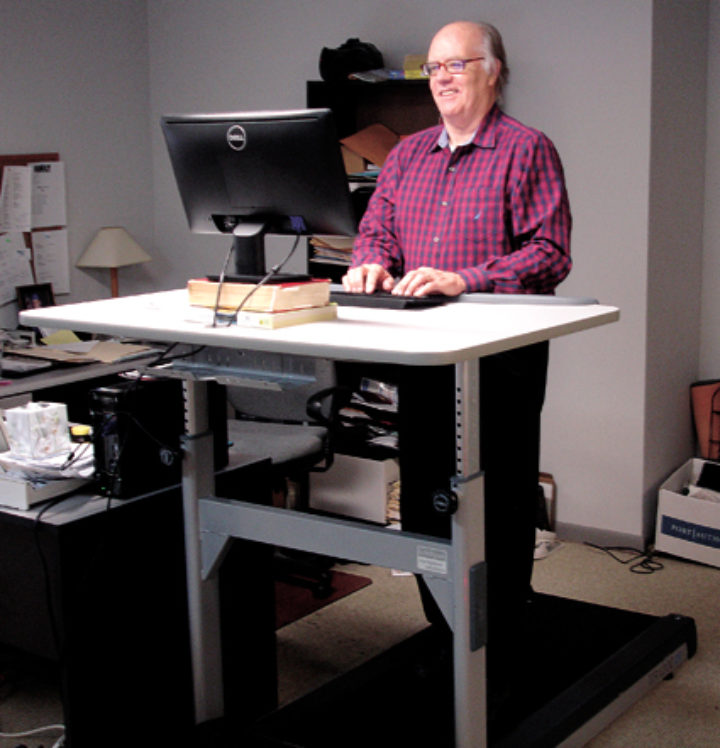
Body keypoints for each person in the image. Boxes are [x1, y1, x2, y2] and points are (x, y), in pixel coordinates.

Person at [342, 20, 572, 699]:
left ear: (494, 72)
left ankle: (500, 642)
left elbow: (549, 253)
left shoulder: (527, 150)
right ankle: (445, 632)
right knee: (423, 503)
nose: (442, 76)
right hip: (423, 359)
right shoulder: (409, 154)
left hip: (500, 363)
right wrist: (370, 265)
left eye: (458, 64)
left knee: (496, 505)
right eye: (435, 66)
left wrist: (462, 278)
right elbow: (374, 230)